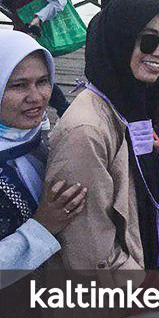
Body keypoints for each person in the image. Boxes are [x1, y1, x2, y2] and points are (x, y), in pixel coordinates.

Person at [46, 0, 159, 270]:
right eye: (148, 40)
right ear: (120, 40)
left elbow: (125, 188)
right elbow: (90, 249)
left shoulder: (129, 103)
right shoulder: (86, 130)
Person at [0, 32, 86, 286]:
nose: (36, 97)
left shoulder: (39, 139)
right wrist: (42, 227)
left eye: (43, 81)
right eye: (18, 85)